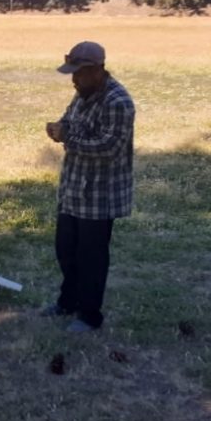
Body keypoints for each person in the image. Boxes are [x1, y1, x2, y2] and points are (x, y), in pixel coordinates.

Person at [43, 41, 135, 333]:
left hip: (99, 194)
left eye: (79, 73)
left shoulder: (118, 102)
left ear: (98, 70)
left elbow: (108, 147)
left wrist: (67, 137)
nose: (73, 80)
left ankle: (89, 315)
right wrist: (58, 127)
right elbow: (69, 121)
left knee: (92, 258)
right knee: (66, 250)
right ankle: (67, 302)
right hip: (73, 189)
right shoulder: (83, 93)